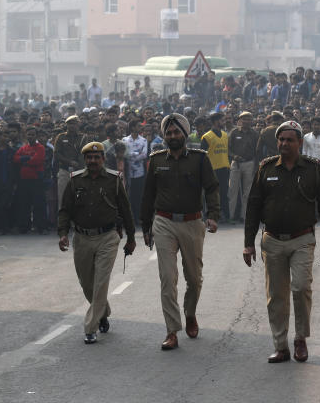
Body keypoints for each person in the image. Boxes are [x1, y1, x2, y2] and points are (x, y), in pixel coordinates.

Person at [244, 120, 320, 363]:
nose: (284, 144)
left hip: (302, 239)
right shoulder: (266, 168)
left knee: (301, 287)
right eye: (281, 140)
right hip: (272, 240)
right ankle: (281, 345)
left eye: (289, 140)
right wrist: (248, 243)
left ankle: (300, 339)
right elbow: (253, 206)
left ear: (299, 143)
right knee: (276, 295)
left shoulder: (313, 169)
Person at [141, 113, 220, 351]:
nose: (172, 136)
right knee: (168, 278)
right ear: (164, 136)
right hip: (163, 222)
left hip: (192, 222)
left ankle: (190, 313)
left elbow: (212, 188)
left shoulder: (199, 159)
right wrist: (146, 227)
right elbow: (148, 196)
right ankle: (172, 330)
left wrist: (213, 216)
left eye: (176, 132)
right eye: (168, 133)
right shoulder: (155, 160)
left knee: (194, 279)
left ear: (184, 135)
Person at [57, 142, 137, 344]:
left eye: (96, 157)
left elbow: (126, 210)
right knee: (87, 285)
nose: (93, 161)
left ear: (103, 159)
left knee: (100, 283)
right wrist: (63, 233)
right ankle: (103, 311)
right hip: (82, 238)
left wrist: (132, 238)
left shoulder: (114, 180)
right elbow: (65, 209)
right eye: (89, 158)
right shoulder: (75, 180)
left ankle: (90, 327)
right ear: (85, 160)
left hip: (107, 237)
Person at [14, 126, 47, 234]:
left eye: (32, 134)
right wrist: (27, 159)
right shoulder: (24, 148)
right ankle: (24, 226)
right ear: (26, 135)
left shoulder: (40, 147)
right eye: (29, 134)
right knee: (24, 204)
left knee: (39, 204)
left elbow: (37, 160)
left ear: (36, 136)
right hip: (24, 180)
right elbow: (15, 158)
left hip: (36, 180)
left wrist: (24, 161)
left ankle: (40, 227)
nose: (30, 136)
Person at [227, 111, 259, 223]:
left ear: (252, 121)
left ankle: (244, 216)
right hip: (236, 164)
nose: (246, 121)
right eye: (244, 119)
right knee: (232, 191)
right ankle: (230, 216)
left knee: (247, 192)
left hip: (249, 163)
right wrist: (234, 156)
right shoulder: (234, 132)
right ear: (240, 120)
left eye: (249, 119)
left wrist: (256, 166)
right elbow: (228, 149)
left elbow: (257, 151)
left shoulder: (255, 134)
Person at [200, 112, 231, 221]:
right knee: (212, 194)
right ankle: (210, 215)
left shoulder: (225, 135)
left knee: (223, 193)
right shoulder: (207, 137)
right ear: (216, 121)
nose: (224, 122)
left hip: (224, 168)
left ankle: (224, 215)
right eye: (222, 120)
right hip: (212, 169)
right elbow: (202, 155)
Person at [53, 116, 85, 209]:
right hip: (64, 171)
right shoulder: (61, 137)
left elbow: (83, 153)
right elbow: (56, 154)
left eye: (74, 123)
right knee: (63, 199)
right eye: (70, 123)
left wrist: (78, 165)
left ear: (78, 124)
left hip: (79, 172)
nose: (72, 126)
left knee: (79, 200)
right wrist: (70, 162)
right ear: (66, 125)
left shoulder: (82, 137)